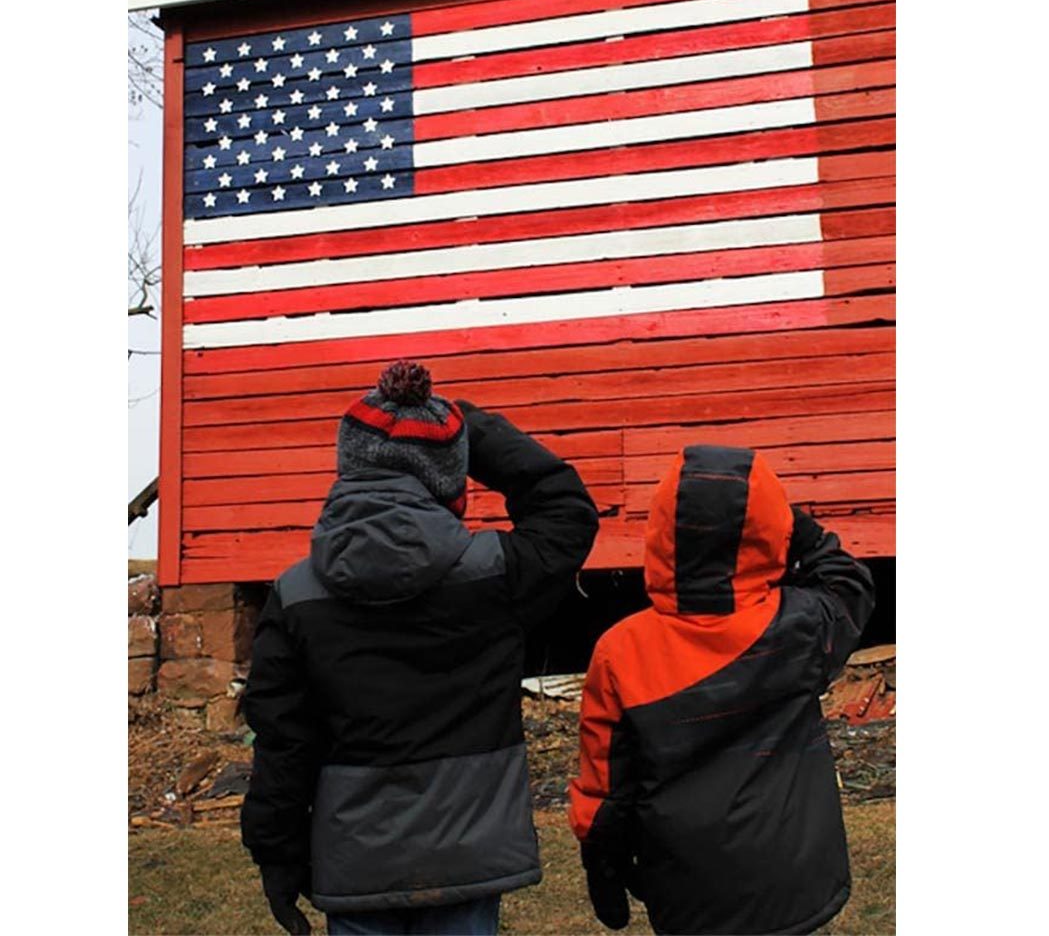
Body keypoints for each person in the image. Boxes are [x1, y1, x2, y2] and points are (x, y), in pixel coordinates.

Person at [240, 359, 599, 936]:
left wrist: (276, 855)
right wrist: (468, 430)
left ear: (349, 465)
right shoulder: (496, 575)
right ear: (448, 475)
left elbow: (283, 741)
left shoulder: (296, 594)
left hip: (356, 862)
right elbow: (564, 505)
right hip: (468, 853)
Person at [569, 444, 875, 935]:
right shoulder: (800, 626)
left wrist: (601, 865)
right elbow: (847, 580)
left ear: (660, 533)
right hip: (794, 882)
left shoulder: (621, 650)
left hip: (685, 888)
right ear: (769, 531)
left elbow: (605, 787)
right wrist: (783, 522)